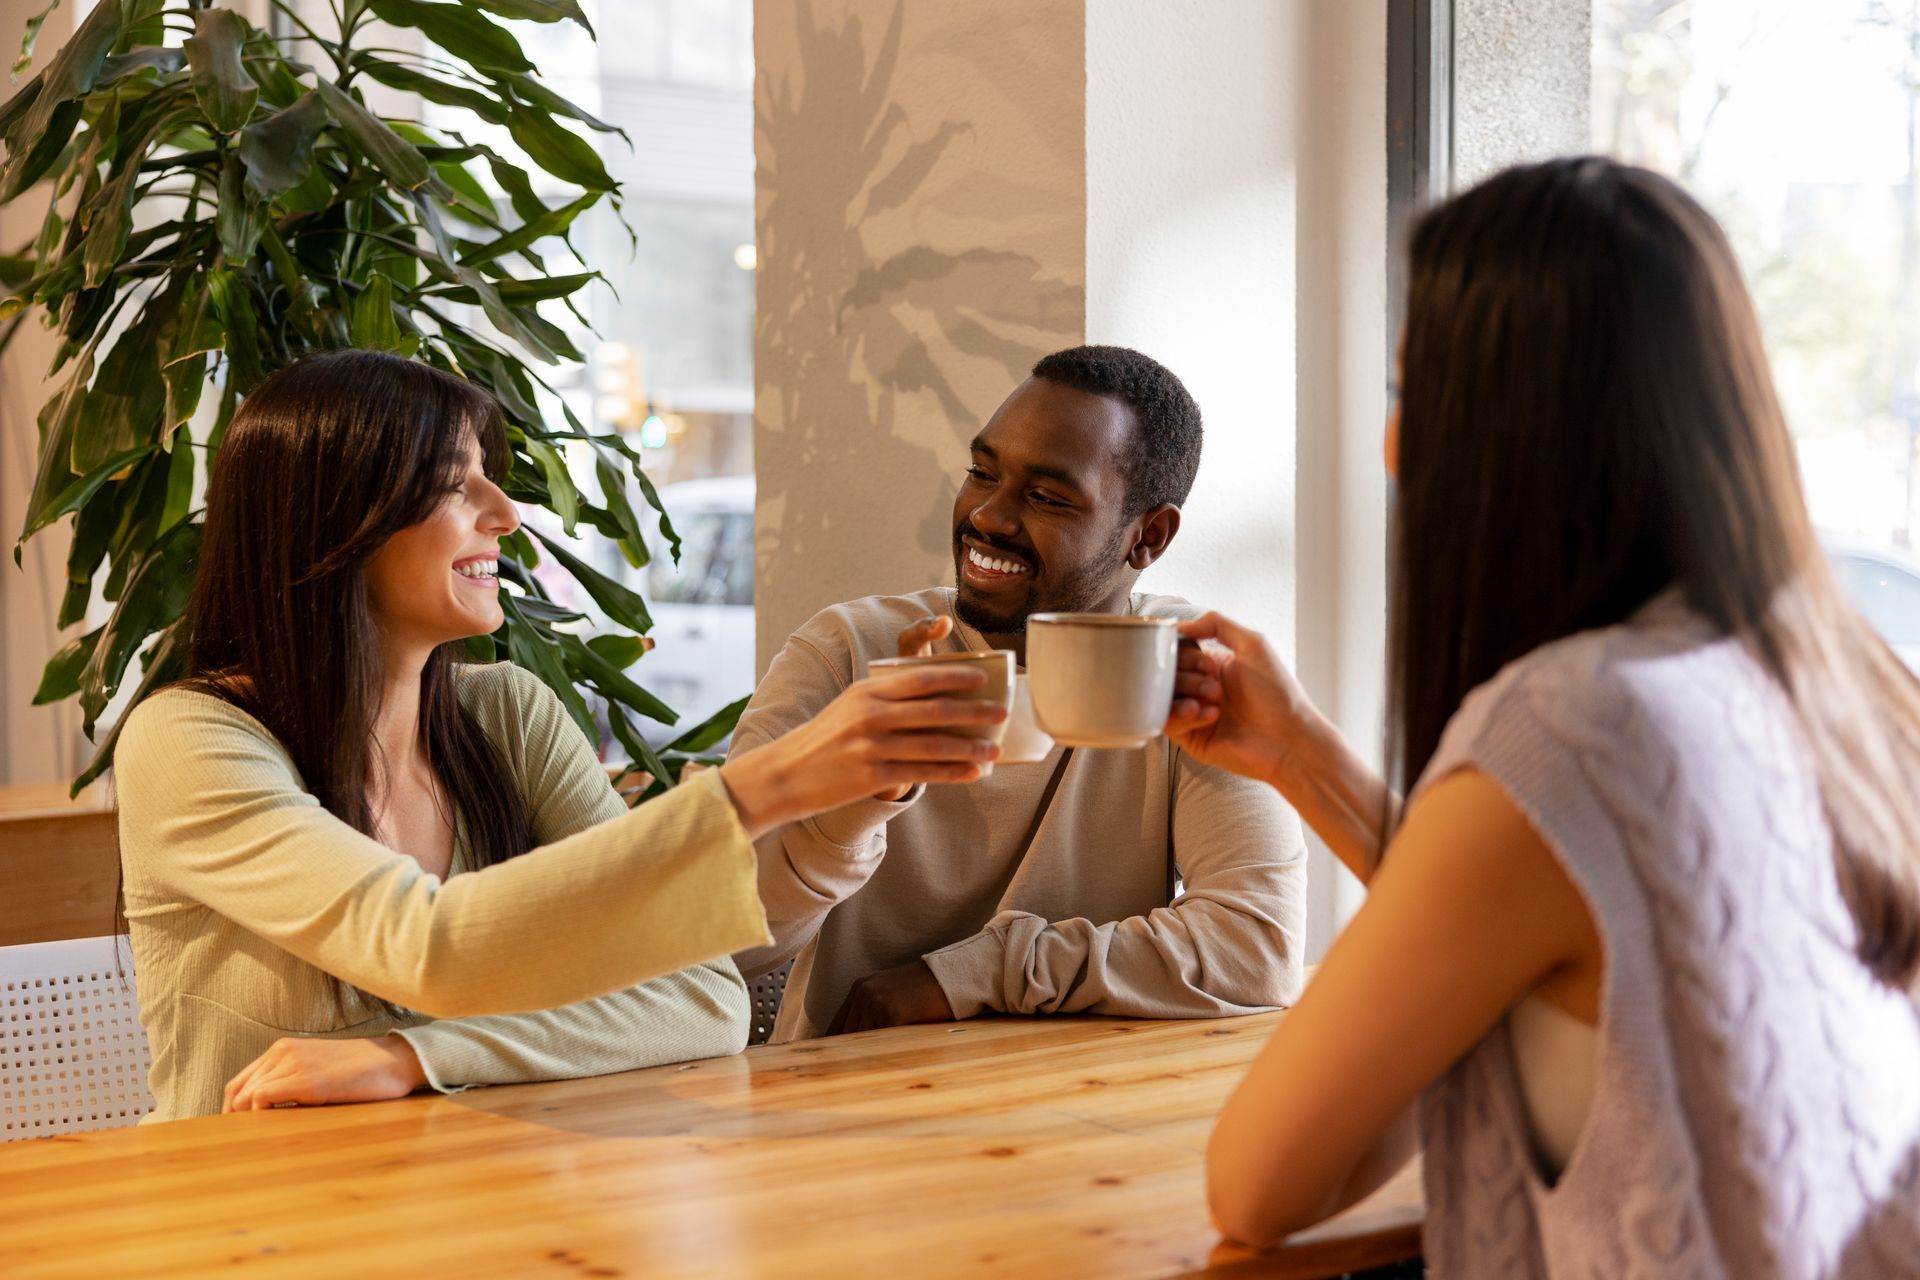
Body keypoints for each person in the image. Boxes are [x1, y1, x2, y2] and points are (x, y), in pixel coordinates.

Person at [1182, 158, 1920, 1276]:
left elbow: (1260, 1180)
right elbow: (1539, 934)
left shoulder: (1578, 721)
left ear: (1513, 431)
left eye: (1406, 392)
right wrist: (1295, 753)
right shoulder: (1844, 675)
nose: (1391, 447)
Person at [115, 350, 1009, 1121]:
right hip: (238, 1219)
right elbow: (429, 947)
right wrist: (775, 783)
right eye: (454, 483)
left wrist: (414, 1058)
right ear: (335, 521)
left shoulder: (506, 713)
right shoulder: (189, 741)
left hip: (463, 1198)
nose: (503, 512)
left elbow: (699, 995)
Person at [730, 345, 1307, 1042]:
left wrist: (969, 976)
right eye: (982, 473)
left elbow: (1258, 950)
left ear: (1148, 537)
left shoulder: (1183, 672)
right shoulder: (848, 655)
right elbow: (713, 948)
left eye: (1047, 497)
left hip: (1092, 1111)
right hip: (848, 1110)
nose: (989, 517)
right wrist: (856, 807)